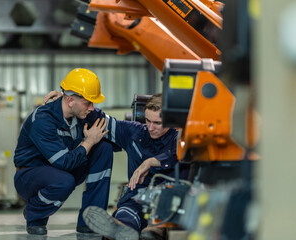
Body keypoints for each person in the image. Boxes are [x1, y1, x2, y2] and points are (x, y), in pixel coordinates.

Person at [43, 92, 188, 240]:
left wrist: (151, 161)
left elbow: (182, 156)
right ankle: (120, 229)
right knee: (125, 214)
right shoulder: (134, 132)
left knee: (161, 214)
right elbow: (97, 118)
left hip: (167, 200)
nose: (151, 127)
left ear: (170, 120)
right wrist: (66, 100)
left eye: (157, 123)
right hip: (137, 198)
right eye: (147, 121)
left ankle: (154, 228)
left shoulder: (180, 139)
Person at [14, 68, 114, 235]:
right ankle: (34, 214)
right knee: (64, 181)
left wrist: (144, 130)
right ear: (70, 101)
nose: (92, 108)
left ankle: (90, 221)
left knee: (104, 149)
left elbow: (110, 125)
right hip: (29, 176)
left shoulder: (81, 112)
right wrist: (88, 141)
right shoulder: (42, 120)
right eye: (88, 103)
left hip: (59, 170)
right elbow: (64, 163)